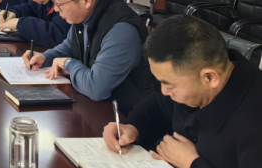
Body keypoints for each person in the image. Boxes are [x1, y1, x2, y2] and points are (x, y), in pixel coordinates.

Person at [102, 16, 262, 168]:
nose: (164, 91)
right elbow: (159, 104)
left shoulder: (253, 125)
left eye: (170, 86)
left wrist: (192, 163)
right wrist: (132, 127)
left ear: (209, 77)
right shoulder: (195, 79)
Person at [21, 0, 154, 113]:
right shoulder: (84, 14)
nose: (55, 9)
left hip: (127, 117)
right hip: (95, 108)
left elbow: (96, 88)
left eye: (59, 3)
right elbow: (68, 47)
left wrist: (68, 64)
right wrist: (45, 57)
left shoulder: (121, 30)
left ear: (85, 0)